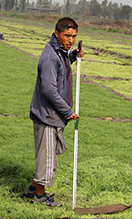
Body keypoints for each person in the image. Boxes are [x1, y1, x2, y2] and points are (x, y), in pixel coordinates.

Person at [24, 17, 84, 207]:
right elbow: (48, 90)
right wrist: (68, 111)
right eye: (67, 35)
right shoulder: (51, 56)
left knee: (45, 154)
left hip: (50, 113)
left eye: (74, 36)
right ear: (57, 33)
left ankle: (33, 188)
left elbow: (61, 70)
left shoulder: (60, 52)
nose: (71, 40)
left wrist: (73, 56)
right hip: (48, 114)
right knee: (48, 157)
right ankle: (40, 196)